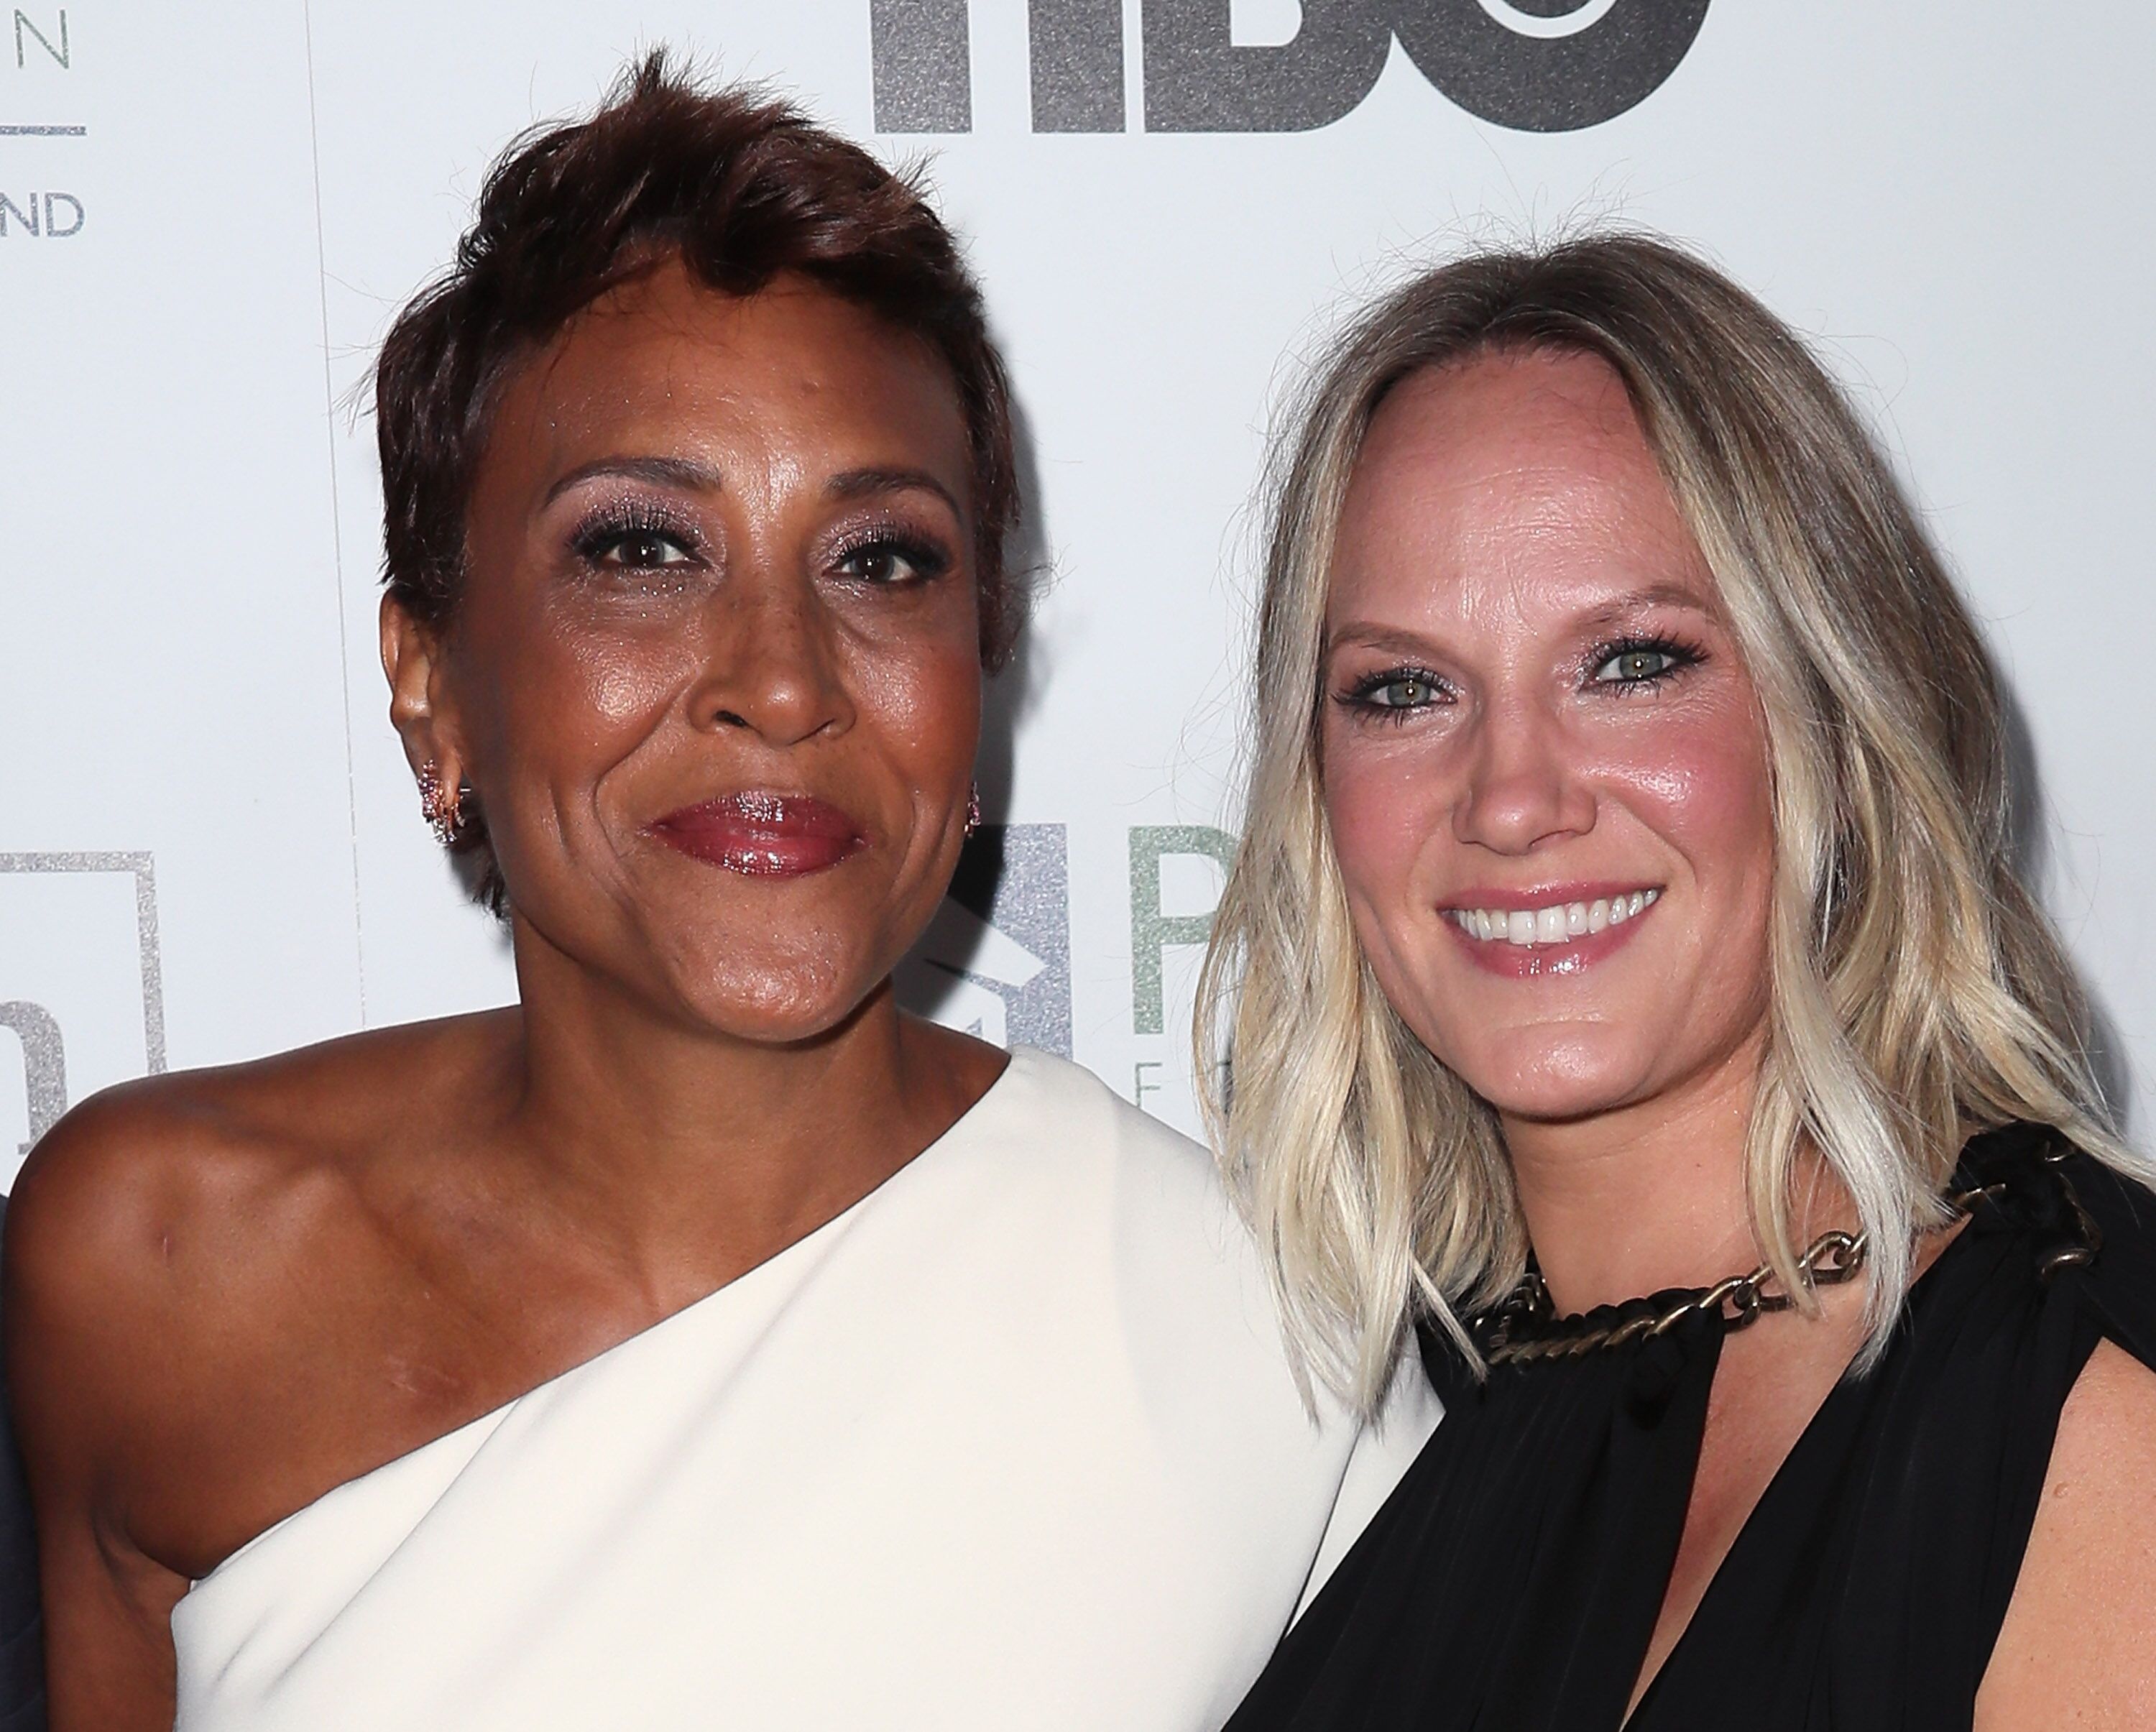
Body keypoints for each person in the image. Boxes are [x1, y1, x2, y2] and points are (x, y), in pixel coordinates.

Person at [1, 56, 1432, 1732]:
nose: (780, 679)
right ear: (432, 683)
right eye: (642, 549)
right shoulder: (155, 1255)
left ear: (978, 676)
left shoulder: (1272, 1349)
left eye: (881, 559)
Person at [1197, 233, 2156, 1729]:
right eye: (1404, 688)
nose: (1511, 797)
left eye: (1633, 662)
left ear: (1834, 716)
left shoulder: (2080, 1411)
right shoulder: (1451, 1429)